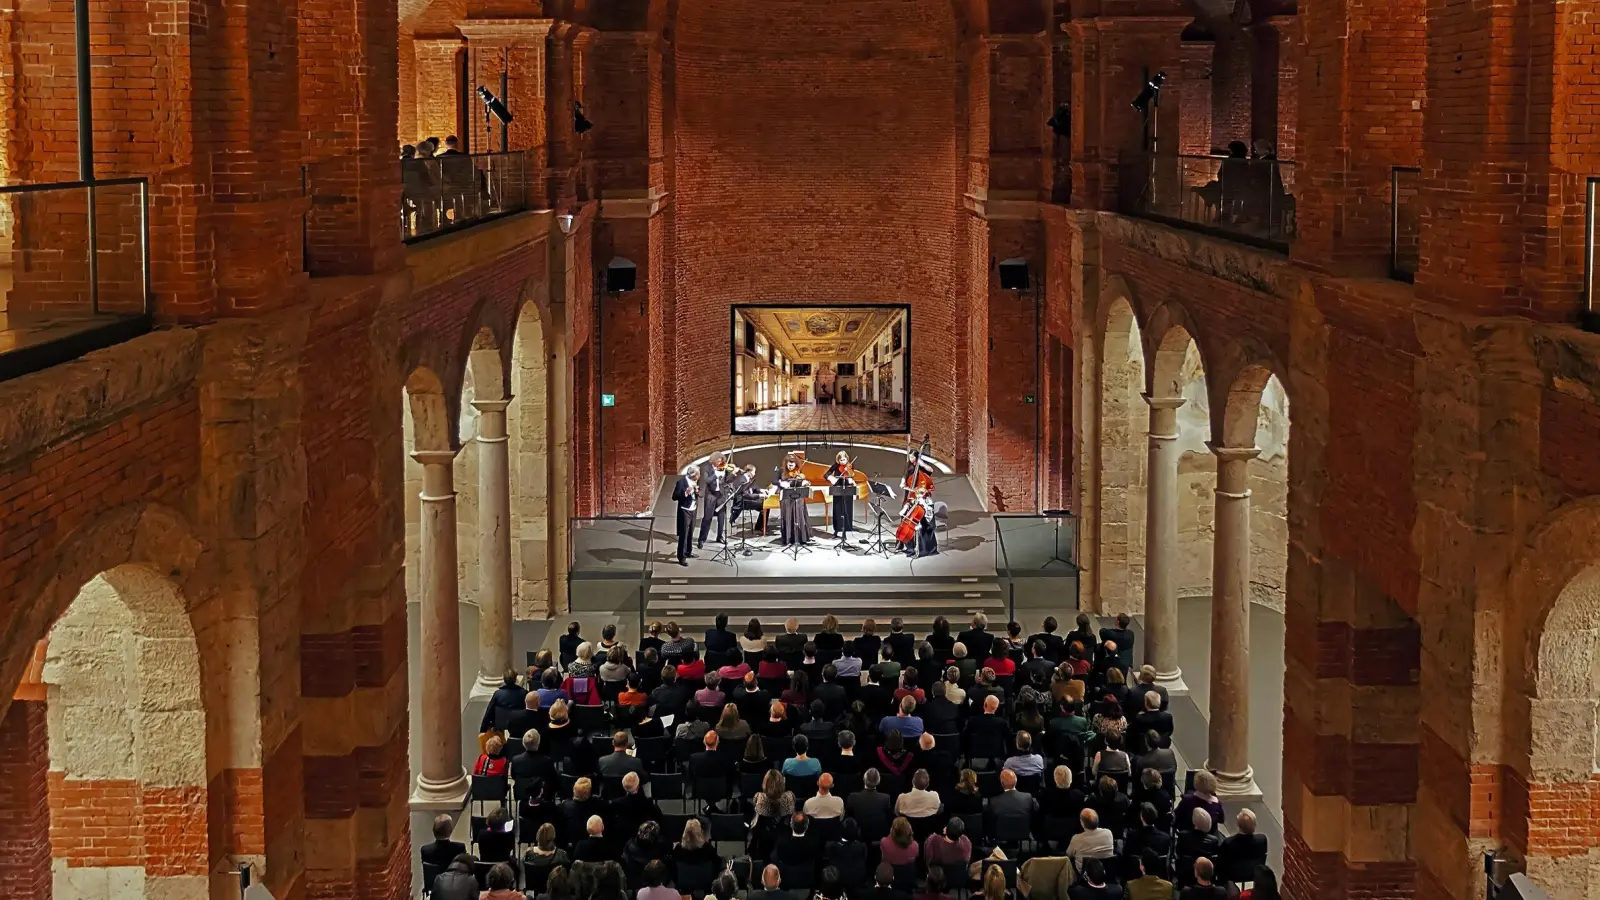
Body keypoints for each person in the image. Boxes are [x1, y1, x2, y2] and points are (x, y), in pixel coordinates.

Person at [772, 454, 815, 547]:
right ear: (786, 464)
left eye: (793, 465)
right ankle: (788, 538)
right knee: (787, 516)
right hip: (786, 498)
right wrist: (781, 483)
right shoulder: (781, 470)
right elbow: (774, 481)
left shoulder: (798, 471)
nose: (791, 467)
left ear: (796, 464)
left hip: (798, 497)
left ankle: (801, 537)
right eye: (789, 465)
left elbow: (802, 480)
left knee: (799, 516)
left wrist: (804, 482)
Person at [1219, 810, 1270, 885]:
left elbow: (1221, 861)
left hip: (1233, 875)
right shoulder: (1262, 839)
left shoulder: (1229, 842)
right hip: (1254, 873)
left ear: (1238, 825)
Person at [846, 768, 894, 840]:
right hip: (878, 838)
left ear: (864, 780)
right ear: (878, 781)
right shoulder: (885, 798)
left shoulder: (853, 797)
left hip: (859, 838)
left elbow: (848, 819)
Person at [698, 452, 733, 548]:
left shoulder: (723, 468)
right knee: (707, 518)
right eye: (718, 461)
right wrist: (716, 475)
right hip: (711, 495)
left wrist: (732, 474)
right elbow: (707, 480)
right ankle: (702, 539)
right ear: (713, 461)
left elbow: (728, 480)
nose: (720, 463)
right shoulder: (706, 468)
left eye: (721, 461)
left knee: (721, 518)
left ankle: (719, 536)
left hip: (721, 495)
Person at [671, 466, 701, 565]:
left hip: (693, 509)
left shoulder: (695, 481)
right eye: (698, 474)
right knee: (684, 534)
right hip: (684, 510)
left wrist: (697, 492)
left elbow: (697, 495)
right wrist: (685, 493)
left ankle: (688, 552)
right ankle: (681, 557)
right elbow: (674, 497)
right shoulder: (681, 483)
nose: (699, 476)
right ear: (693, 475)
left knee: (690, 532)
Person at [825, 451, 858, 538]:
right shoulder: (836, 465)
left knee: (847, 510)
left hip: (847, 489)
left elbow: (852, 475)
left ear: (847, 459)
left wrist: (849, 475)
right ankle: (836, 530)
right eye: (841, 460)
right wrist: (831, 478)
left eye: (844, 460)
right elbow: (826, 474)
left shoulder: (849, 466)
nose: (843, 462)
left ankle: (845, 531)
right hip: (838, 489)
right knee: (837, 510)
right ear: (838, 460)